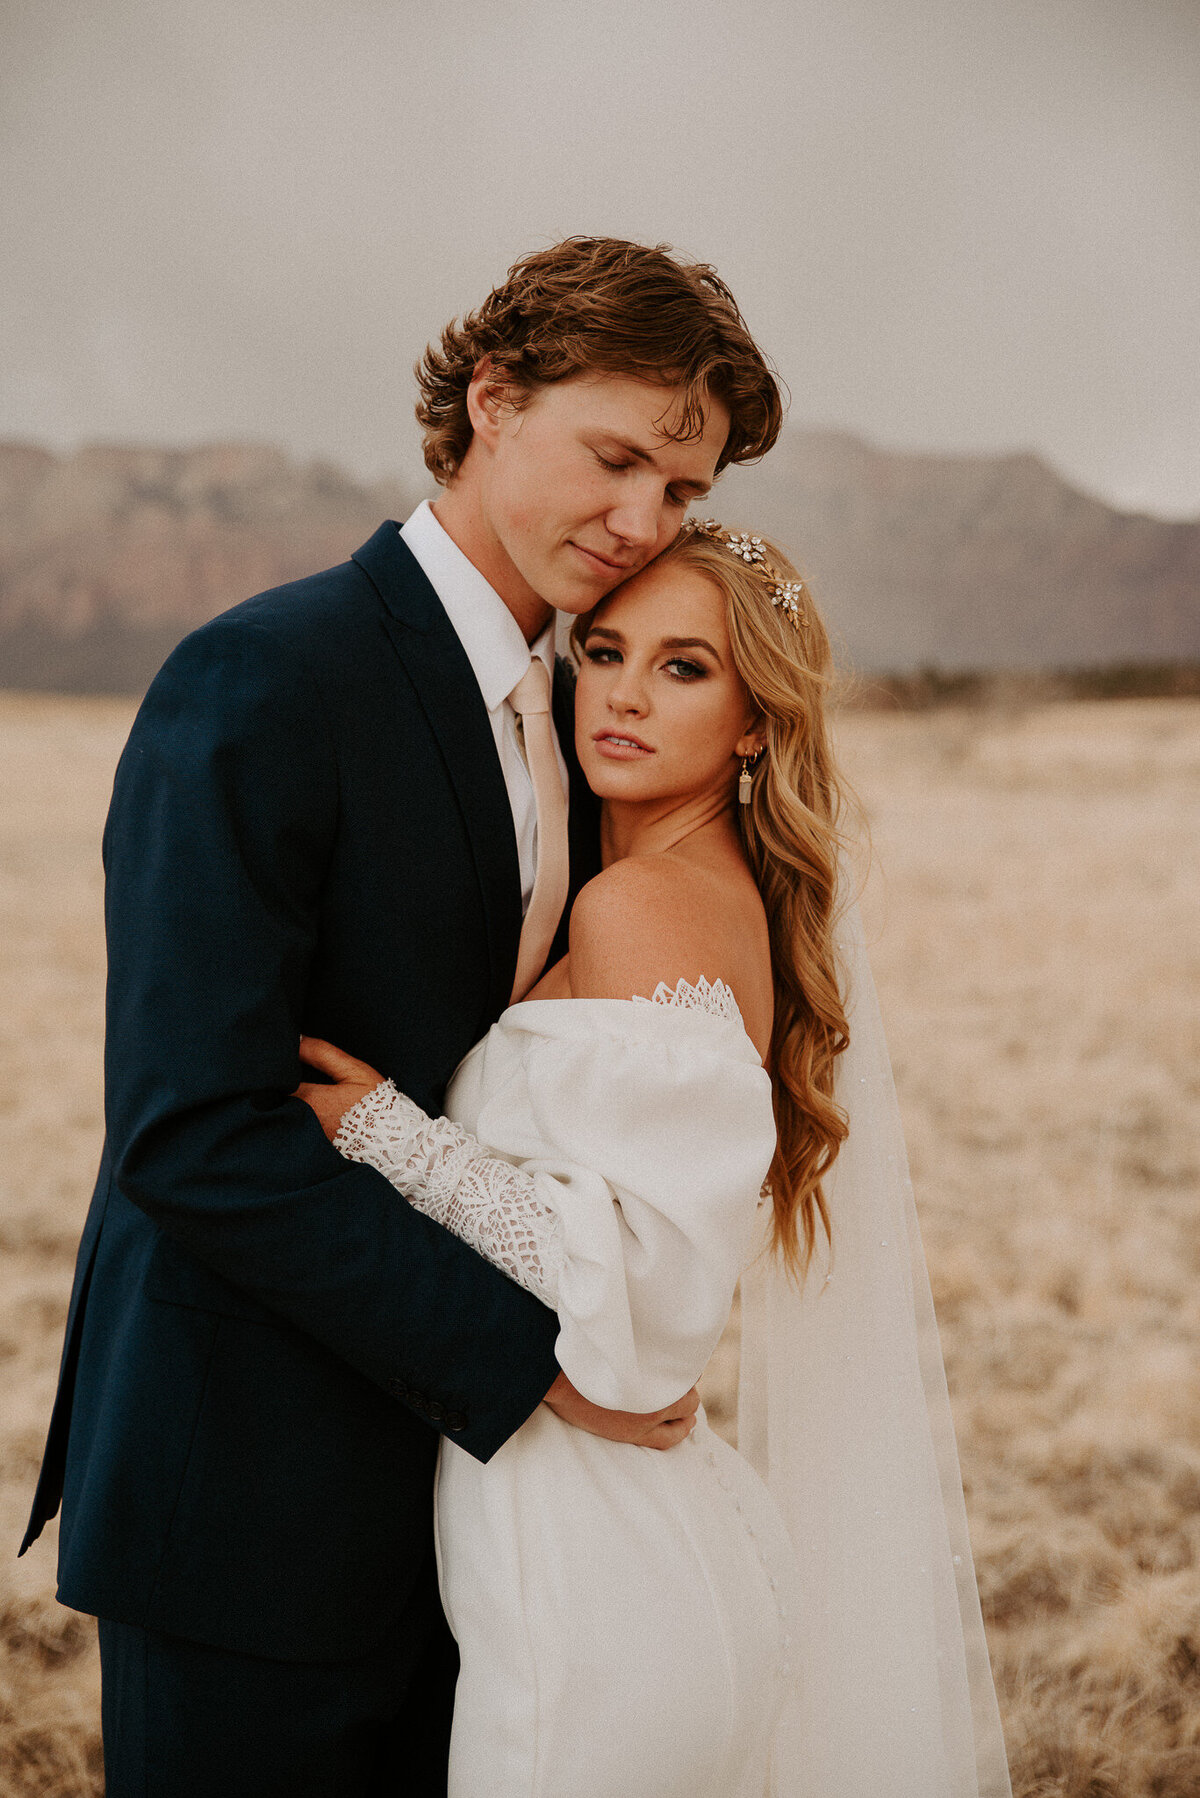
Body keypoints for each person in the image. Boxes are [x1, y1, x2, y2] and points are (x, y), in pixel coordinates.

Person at [18, 238, 784, 1796]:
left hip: (476, 1528)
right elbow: (195, 1131)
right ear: (492, 401)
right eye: (617, 455)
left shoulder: (583, 718)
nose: (643, 523)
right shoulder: (261, 681)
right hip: (250, 1498)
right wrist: (533, 1362)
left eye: (683, 492)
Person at [295, 519, 1014, 1797]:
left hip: (592, 1582)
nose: (623, 694)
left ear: (753, 721)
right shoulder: (667, 888)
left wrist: (385, 1135)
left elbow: (628, 1309)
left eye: (685, 668)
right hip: (624, 1550)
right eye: (608, 650)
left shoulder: (640, 909)